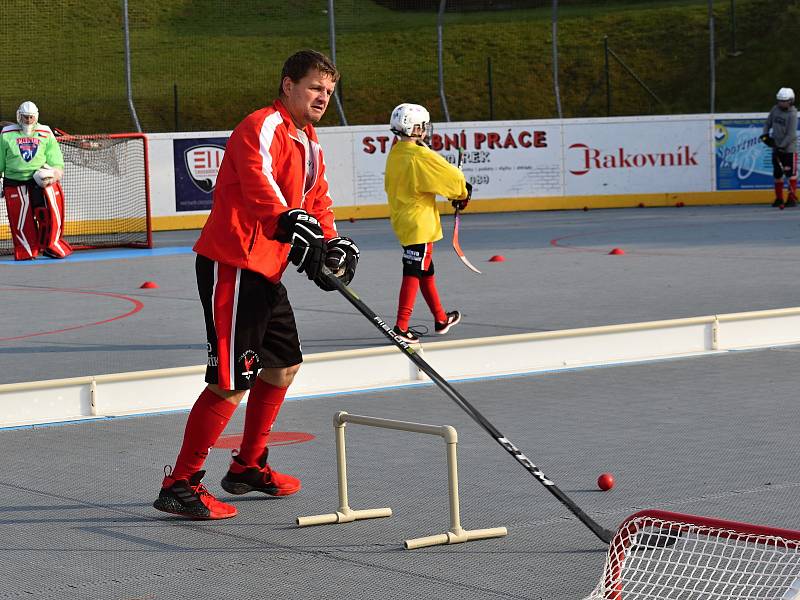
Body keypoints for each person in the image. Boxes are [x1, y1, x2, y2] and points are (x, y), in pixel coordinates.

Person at [153, 49, 360, 520]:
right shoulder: (261, 125)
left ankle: (247, 466)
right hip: (235, 263)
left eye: (329, 91)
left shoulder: (310, 140)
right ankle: (180, 483)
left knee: (283, 366)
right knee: (230, 382)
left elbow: (317, 197)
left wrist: (330, 242)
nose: (323, 97)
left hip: (267, 269)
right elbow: (259, 184)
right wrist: (289, 221)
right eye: (314, 87)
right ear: (288, 85)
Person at [384, 103, 471, 343]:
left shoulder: (397, 151)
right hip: (418, 224)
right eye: (422, 126)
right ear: (415, 128)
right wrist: (463, 193)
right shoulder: (420, 156)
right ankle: (401, 327)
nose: (425, 130)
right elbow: (452, 178)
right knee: (413, 270)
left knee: (425, 270)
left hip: (404, 221)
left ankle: (441, 318)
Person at [0, 101, 72, 260]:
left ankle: (50, 246)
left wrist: (55, 171)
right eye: (25, 117)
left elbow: (55, 157)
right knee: (21, 219)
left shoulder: (45, 132)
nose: (28, 121)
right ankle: (26, 249)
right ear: (19, 116)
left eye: (30, 117)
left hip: (39, 182)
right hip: (14, 182)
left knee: (48, 215)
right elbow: (0, 160)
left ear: (36, 117)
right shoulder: (6, 133)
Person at [761, 87, 798, 208]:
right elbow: (768, 123)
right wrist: (765, 135)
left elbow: (791, 135)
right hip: (776, 147)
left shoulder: (792, 115)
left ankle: (791, 199)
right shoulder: (775, 109)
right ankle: (779, 199)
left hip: (788, 150)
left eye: (784, 101)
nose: (781, 103)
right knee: (777, 174)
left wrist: (781, 146)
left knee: (790, 173)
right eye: (780, 100)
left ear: (791, 101)